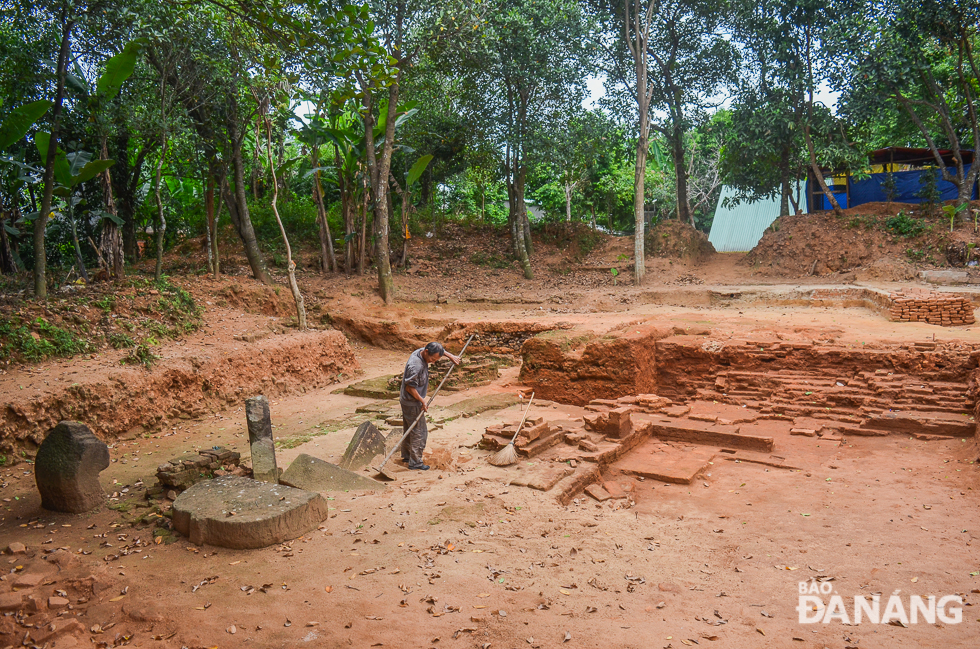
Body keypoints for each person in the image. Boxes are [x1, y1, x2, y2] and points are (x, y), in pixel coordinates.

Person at [399, 342, 460, 470]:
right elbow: (410, 388)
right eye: (432, 359)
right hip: (412, 401)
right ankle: (415, 462)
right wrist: (422, 401)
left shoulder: (423, 351)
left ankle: (407, 455)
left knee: (410, 428)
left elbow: (439, 351)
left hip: (407, 400)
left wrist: (451, 356)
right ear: (426, 352)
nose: (433, 362)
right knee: (419, 432)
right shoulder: (415, 365)